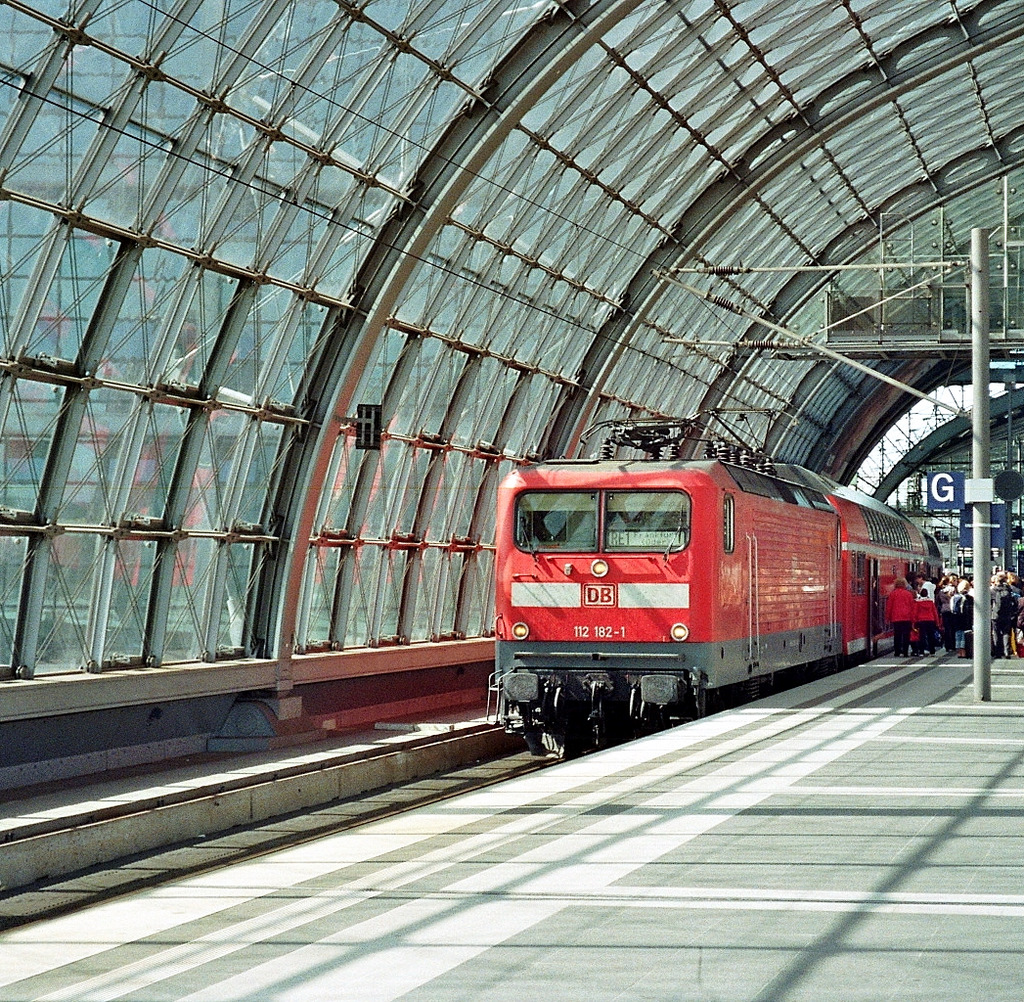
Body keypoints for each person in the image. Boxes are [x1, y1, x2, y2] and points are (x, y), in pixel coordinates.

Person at [886, 577, 916, 658]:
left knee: (897, 635)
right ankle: (905, 652)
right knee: (906, 635)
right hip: (907, 617)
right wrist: (913, 619)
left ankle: (897, 651)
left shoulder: (893, 594)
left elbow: (889, 606)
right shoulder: (908, 594)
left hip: (896, 617)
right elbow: (912, 607)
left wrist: (887, 618)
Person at [912, 586, 940, 656]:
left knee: (922, 636)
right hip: (930, 620)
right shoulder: (930, 602)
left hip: (921, 620)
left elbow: (915, 612)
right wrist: (937, 622)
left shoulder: (918, 603)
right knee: (931, 636)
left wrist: (914, 621)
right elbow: (935, 612)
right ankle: (932, 651)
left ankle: (921, 651)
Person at [952, 578, 974, 658]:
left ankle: (959, 652)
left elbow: (952, 609)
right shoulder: (970, 598)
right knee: (965, 635)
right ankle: (964, 652)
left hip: (957, 618)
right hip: (966, 619)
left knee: (958, 635)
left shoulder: (955, 597)